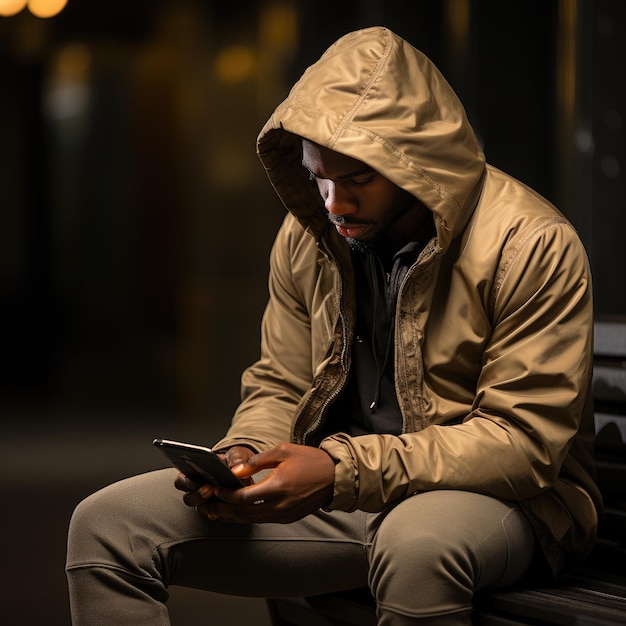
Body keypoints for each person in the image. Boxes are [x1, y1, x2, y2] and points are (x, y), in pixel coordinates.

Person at [66, 27, 601, 625]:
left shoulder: (529, 243)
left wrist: (342, 470)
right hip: (344, 490)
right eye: (319, 176)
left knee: (418, 544)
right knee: (107, 528)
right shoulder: (309, 236)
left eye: (358, 180)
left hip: (498, 501)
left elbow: (522, 445)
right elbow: (279, 381)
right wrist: (246, 454)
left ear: (417, 163)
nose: (333, 202)